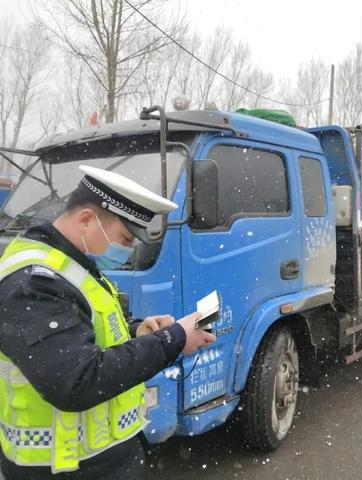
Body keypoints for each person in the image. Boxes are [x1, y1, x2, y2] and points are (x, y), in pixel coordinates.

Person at [0, 165, 216, 479]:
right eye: (126, 238)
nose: (128, 251)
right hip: (63, 468)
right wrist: (174, 338)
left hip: (98, 461)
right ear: (86, 220)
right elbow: (78, 381)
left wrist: (138, 331)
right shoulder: (33, 282)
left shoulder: (72, 265)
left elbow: (83, 333)